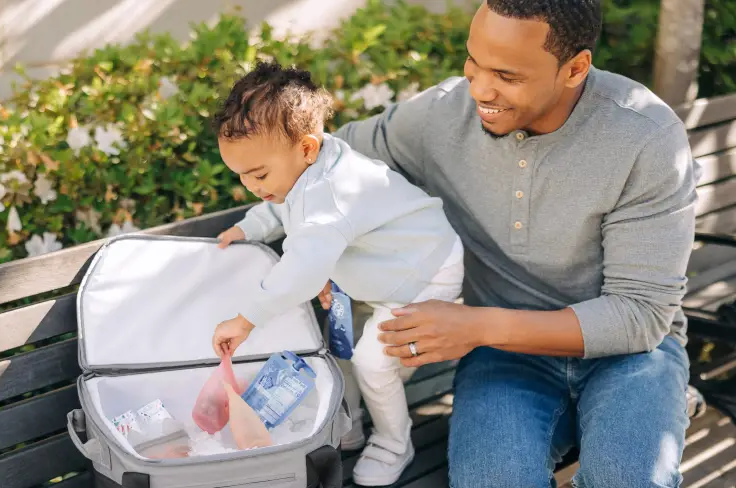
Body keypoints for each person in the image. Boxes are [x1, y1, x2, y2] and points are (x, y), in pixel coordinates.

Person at [332, 1, 699, 486]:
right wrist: (312, 242)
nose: (480, 89)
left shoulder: (646, 138)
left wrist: (477, 326)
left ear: (575, 69)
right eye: (473, 62)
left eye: (507, 75)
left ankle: (656, 403)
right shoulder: (441, 114)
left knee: (629, 479)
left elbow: (640, 316)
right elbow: (329, 158)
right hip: (504, 358)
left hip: (630, 358)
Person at [209, 61, 465, 486]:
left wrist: (245, 319)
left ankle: (394, 442)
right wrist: (250, 226)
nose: (252, 186)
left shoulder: (329, 194)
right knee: (339, 349)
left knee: (373, 362)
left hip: (425, 272)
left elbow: (302, 271)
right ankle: (351, 420)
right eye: (242, 176)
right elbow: (282, 200)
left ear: (307, 148)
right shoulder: (310, 160)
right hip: (386, 267)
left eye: (258, 174)